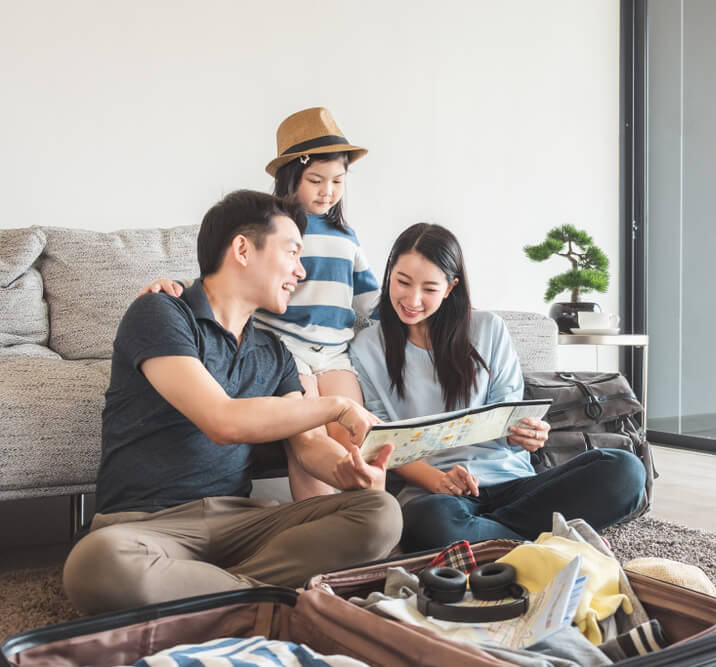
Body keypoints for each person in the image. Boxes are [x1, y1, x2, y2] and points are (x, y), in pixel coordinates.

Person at [63, 190, 402, 615]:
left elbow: (309, 444)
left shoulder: (274, 352)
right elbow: (221, 420)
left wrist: (352, 471)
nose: (301, 271)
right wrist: (334, 405)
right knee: (96, 565)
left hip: (244, 524)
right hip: (147, 527)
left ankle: (222, 596)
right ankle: (270, 596)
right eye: (293, 252)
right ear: (243, 248)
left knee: (381, 513)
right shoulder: (161, 313)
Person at [350, 223, 647, 552]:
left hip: (515, 483)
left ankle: (497, 543)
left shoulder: (487, 330)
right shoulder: (366, 347)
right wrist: (440, 482)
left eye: (430, 289)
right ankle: (548, 544)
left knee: (626, 472)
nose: (412, 299)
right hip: (437, 494)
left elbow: (509, 420)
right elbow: (383, 441)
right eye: (402, 282)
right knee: (428, 523)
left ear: (450, 288)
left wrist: (527, 435)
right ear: (389, 273)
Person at [144, 107, 380, 501]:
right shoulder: (270, 230)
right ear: (292, 180)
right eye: (316, 180)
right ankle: (314, 514)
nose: (327, 191)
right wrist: (179, 290)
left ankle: (363, 512)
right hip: (289, 347)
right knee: (307, 433)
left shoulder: (348, 237)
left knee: (356, 429)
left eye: (337, 181)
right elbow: (222, 280)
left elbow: (372, 299)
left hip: (336, 352)